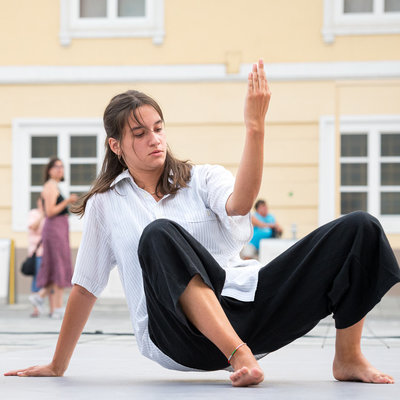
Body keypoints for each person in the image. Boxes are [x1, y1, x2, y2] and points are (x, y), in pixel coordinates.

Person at [5, 60, 400, 387]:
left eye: (158, 129)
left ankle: (348, 358)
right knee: (158, 235)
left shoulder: (201, 178)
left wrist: (255, 128)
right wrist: (57, 365)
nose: (154, 139)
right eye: (139, 134)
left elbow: (241, 203)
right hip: (178, 335)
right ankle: (238, 353)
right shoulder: (107, 204)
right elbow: (85, 286)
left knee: (360, 228)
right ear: (116, 146)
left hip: (247, 309)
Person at [33, 158, 78, 319]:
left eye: (61, 167)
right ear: (49, 170)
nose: (60, 170)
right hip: (54, 229)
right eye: (56, 167)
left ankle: (41, 296)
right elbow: (50, 211)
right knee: (59, 265)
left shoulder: (54, 186)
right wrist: (67, 201)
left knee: (56, 265)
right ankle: (56, 307)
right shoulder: (50, 186)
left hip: (58, 228)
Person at [26, 197, 45, 317]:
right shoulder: (34, 213)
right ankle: (36, 309)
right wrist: (42, 214)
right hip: (37, 252)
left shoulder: (50, 215)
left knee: (48, 280)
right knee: (36, 281)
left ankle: (50, 307)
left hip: (48, 252)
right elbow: (33, 227)